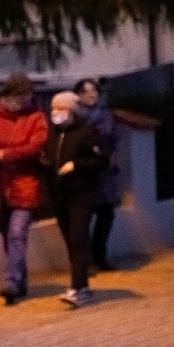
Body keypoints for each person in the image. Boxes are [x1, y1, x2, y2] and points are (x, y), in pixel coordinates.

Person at [0, 73, 48, 305]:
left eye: (28, 95)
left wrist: (6, 154)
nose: (26, 100)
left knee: (17, 233)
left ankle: (11, 282)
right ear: (9, 95)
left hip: (26, 185)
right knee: (9, 237)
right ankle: (20, 281)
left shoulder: (36, 118)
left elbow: (36, 146)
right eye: (22, 95)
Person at [45, 90, 110, 308]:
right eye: (54, 109)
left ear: (72, 111)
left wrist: (76, 166)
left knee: (78, 238)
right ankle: (81, 285)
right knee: (71, 242)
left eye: (61, 109)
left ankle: (79, 287)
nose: (56, 113)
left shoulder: (86, 133)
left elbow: (102, 161)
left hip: (82, 195)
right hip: (60, 196)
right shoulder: (52, 133)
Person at [76, 78, 120, 271]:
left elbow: (115, 139)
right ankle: (83, 260)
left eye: (93, 90)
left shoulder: (106, 115)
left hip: (105, 173)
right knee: (83, 218)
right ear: (78, 95)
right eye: (85, 91)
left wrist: (113, 157)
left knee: (107, 214)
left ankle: (100, 254)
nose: (90, 94)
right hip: (85, 173)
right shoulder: (75, 116)